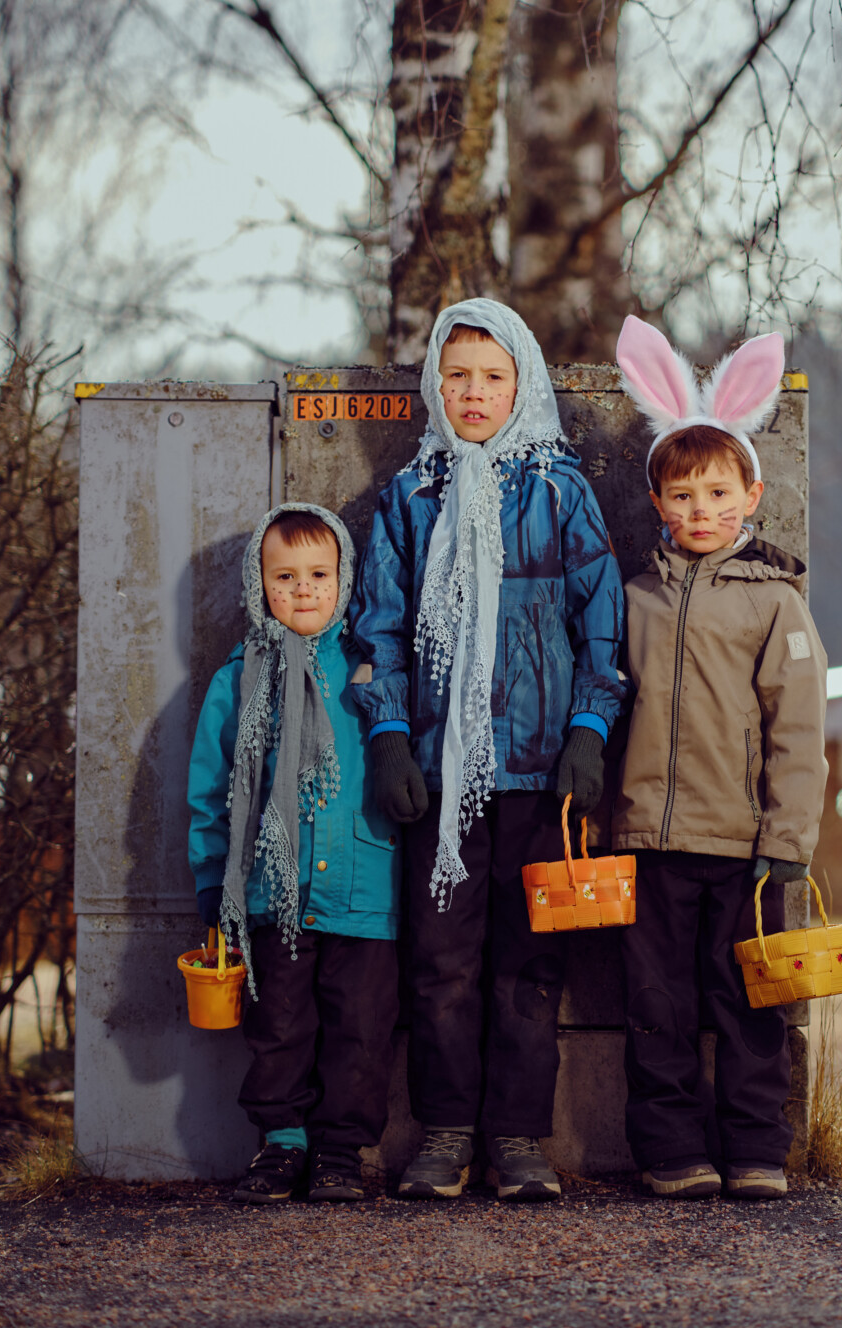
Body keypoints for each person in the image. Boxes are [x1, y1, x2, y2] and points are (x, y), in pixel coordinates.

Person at [349, 298, 625, 1202]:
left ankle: (516, 1139)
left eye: (493, 377)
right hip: (440, 779)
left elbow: (602, 631)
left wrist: (589, 732)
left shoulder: (560, 492)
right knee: (441, 962)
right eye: (456, 375)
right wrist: (390, 739)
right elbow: (379, 632)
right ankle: (446, 1132)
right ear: (435, 383)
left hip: (543, 776)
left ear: (524, 385)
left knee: (531, 965)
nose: (474, 393)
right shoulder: (410, 498)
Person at [609, 315, 829, 1201]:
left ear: (753, 493)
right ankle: (671, 1153)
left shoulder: (775, 603)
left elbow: (799, 730)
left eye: (717, 493)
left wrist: (789, 839)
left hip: (743, 848)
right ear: (658, 503)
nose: (701, 511)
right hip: (649, 848)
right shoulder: (633, 600)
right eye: (683, 496)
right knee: (655, 1011)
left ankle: (755, 1151)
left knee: (750, 1006)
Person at [188, 502, 401, 1204]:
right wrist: (212, 892)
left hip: (365, 890)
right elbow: (209, 793)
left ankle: (342, 1150)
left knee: (361, 1033)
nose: (304, 589)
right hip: (270, 896)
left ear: (345, 580)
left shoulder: (374, 673)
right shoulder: (238, 680)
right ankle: (282, 1144)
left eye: (319, 574)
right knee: (278, 1025)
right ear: (259, 586)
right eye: (285, 576)